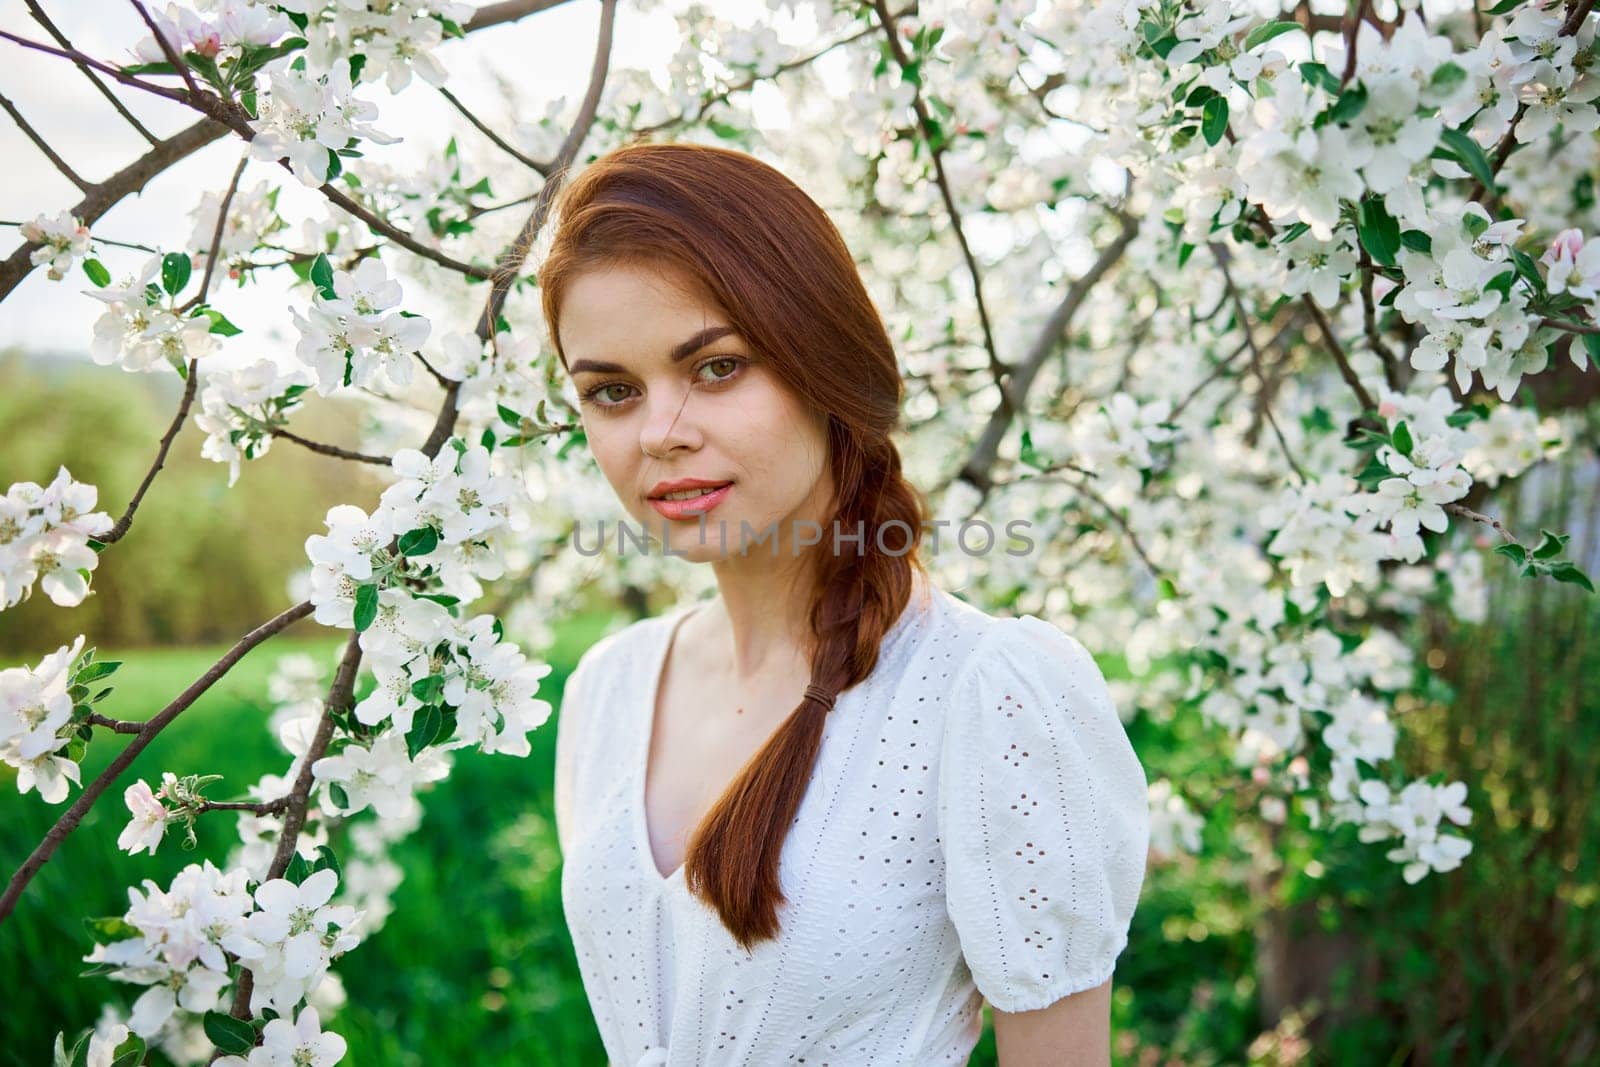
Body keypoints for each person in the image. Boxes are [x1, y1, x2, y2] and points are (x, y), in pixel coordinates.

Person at [539, 142, 1149, 1066]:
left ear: (822, 359)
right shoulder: (607, 690)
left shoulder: (989, 692)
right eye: (613, 391)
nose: (661, 433)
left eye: (716, 367)